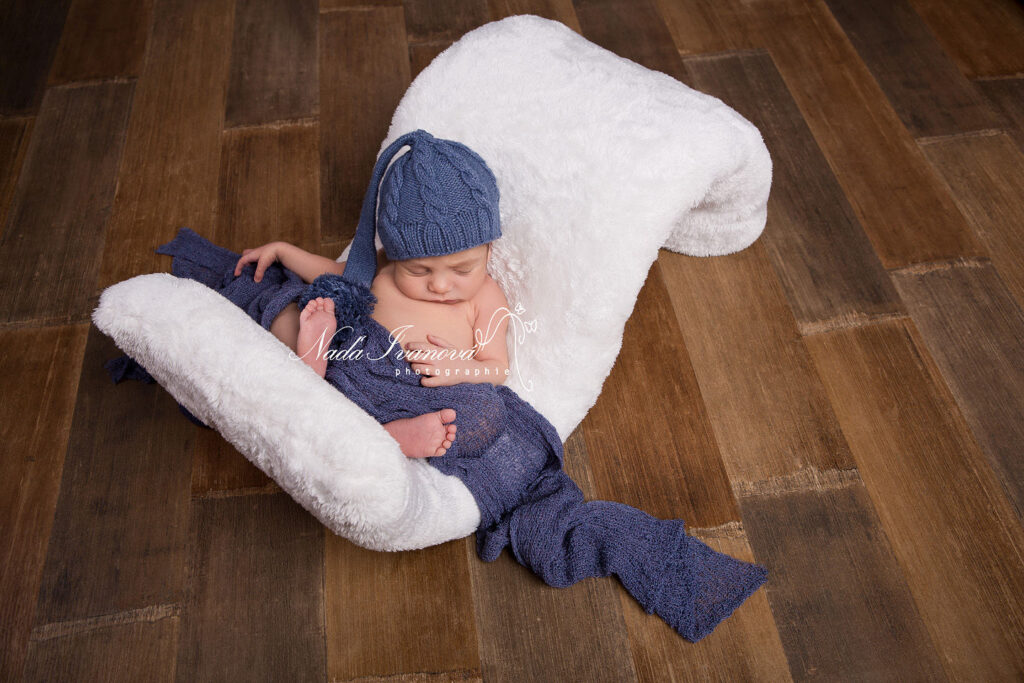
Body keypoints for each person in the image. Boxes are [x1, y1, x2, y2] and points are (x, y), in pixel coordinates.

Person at [107, 129, 769, 642]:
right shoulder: (383, 277)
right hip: (363, 362)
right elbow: (335, 272)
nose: (442, 283)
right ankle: (317, 376)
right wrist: (283, 251)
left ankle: (376, 423)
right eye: (422, 269)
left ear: (486, 248)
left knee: (484, 413)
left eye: (461, 266)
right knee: (317, 313)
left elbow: (494, 368)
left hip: (436, 394)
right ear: (393, 253)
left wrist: (454, 370)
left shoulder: (486, 297)